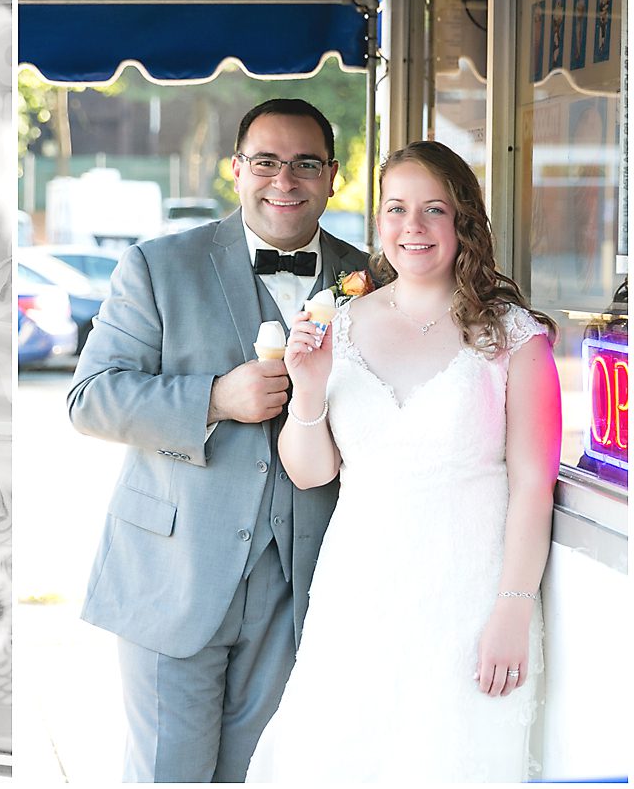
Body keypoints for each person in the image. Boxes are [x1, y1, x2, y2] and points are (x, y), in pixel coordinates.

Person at [68, 98, 368, 781]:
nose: (284, 181)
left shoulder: (371, 281)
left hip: (299, 588)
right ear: (236, 169)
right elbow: (90, 398)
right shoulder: (158, 265)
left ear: (332, 176)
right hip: (171, 574)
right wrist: (213, 398)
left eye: (305, 165)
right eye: (265, 162)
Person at [248, 141, 558, 781]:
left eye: (433, 210)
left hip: (468, 597)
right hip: (358, 592)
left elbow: (533, 485)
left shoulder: (515, 337)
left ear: (463, 221)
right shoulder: (339, 320)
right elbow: (313, 472)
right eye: (395, 209)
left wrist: (513, 608)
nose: (411, 227)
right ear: (379, 221)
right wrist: (308, 387)